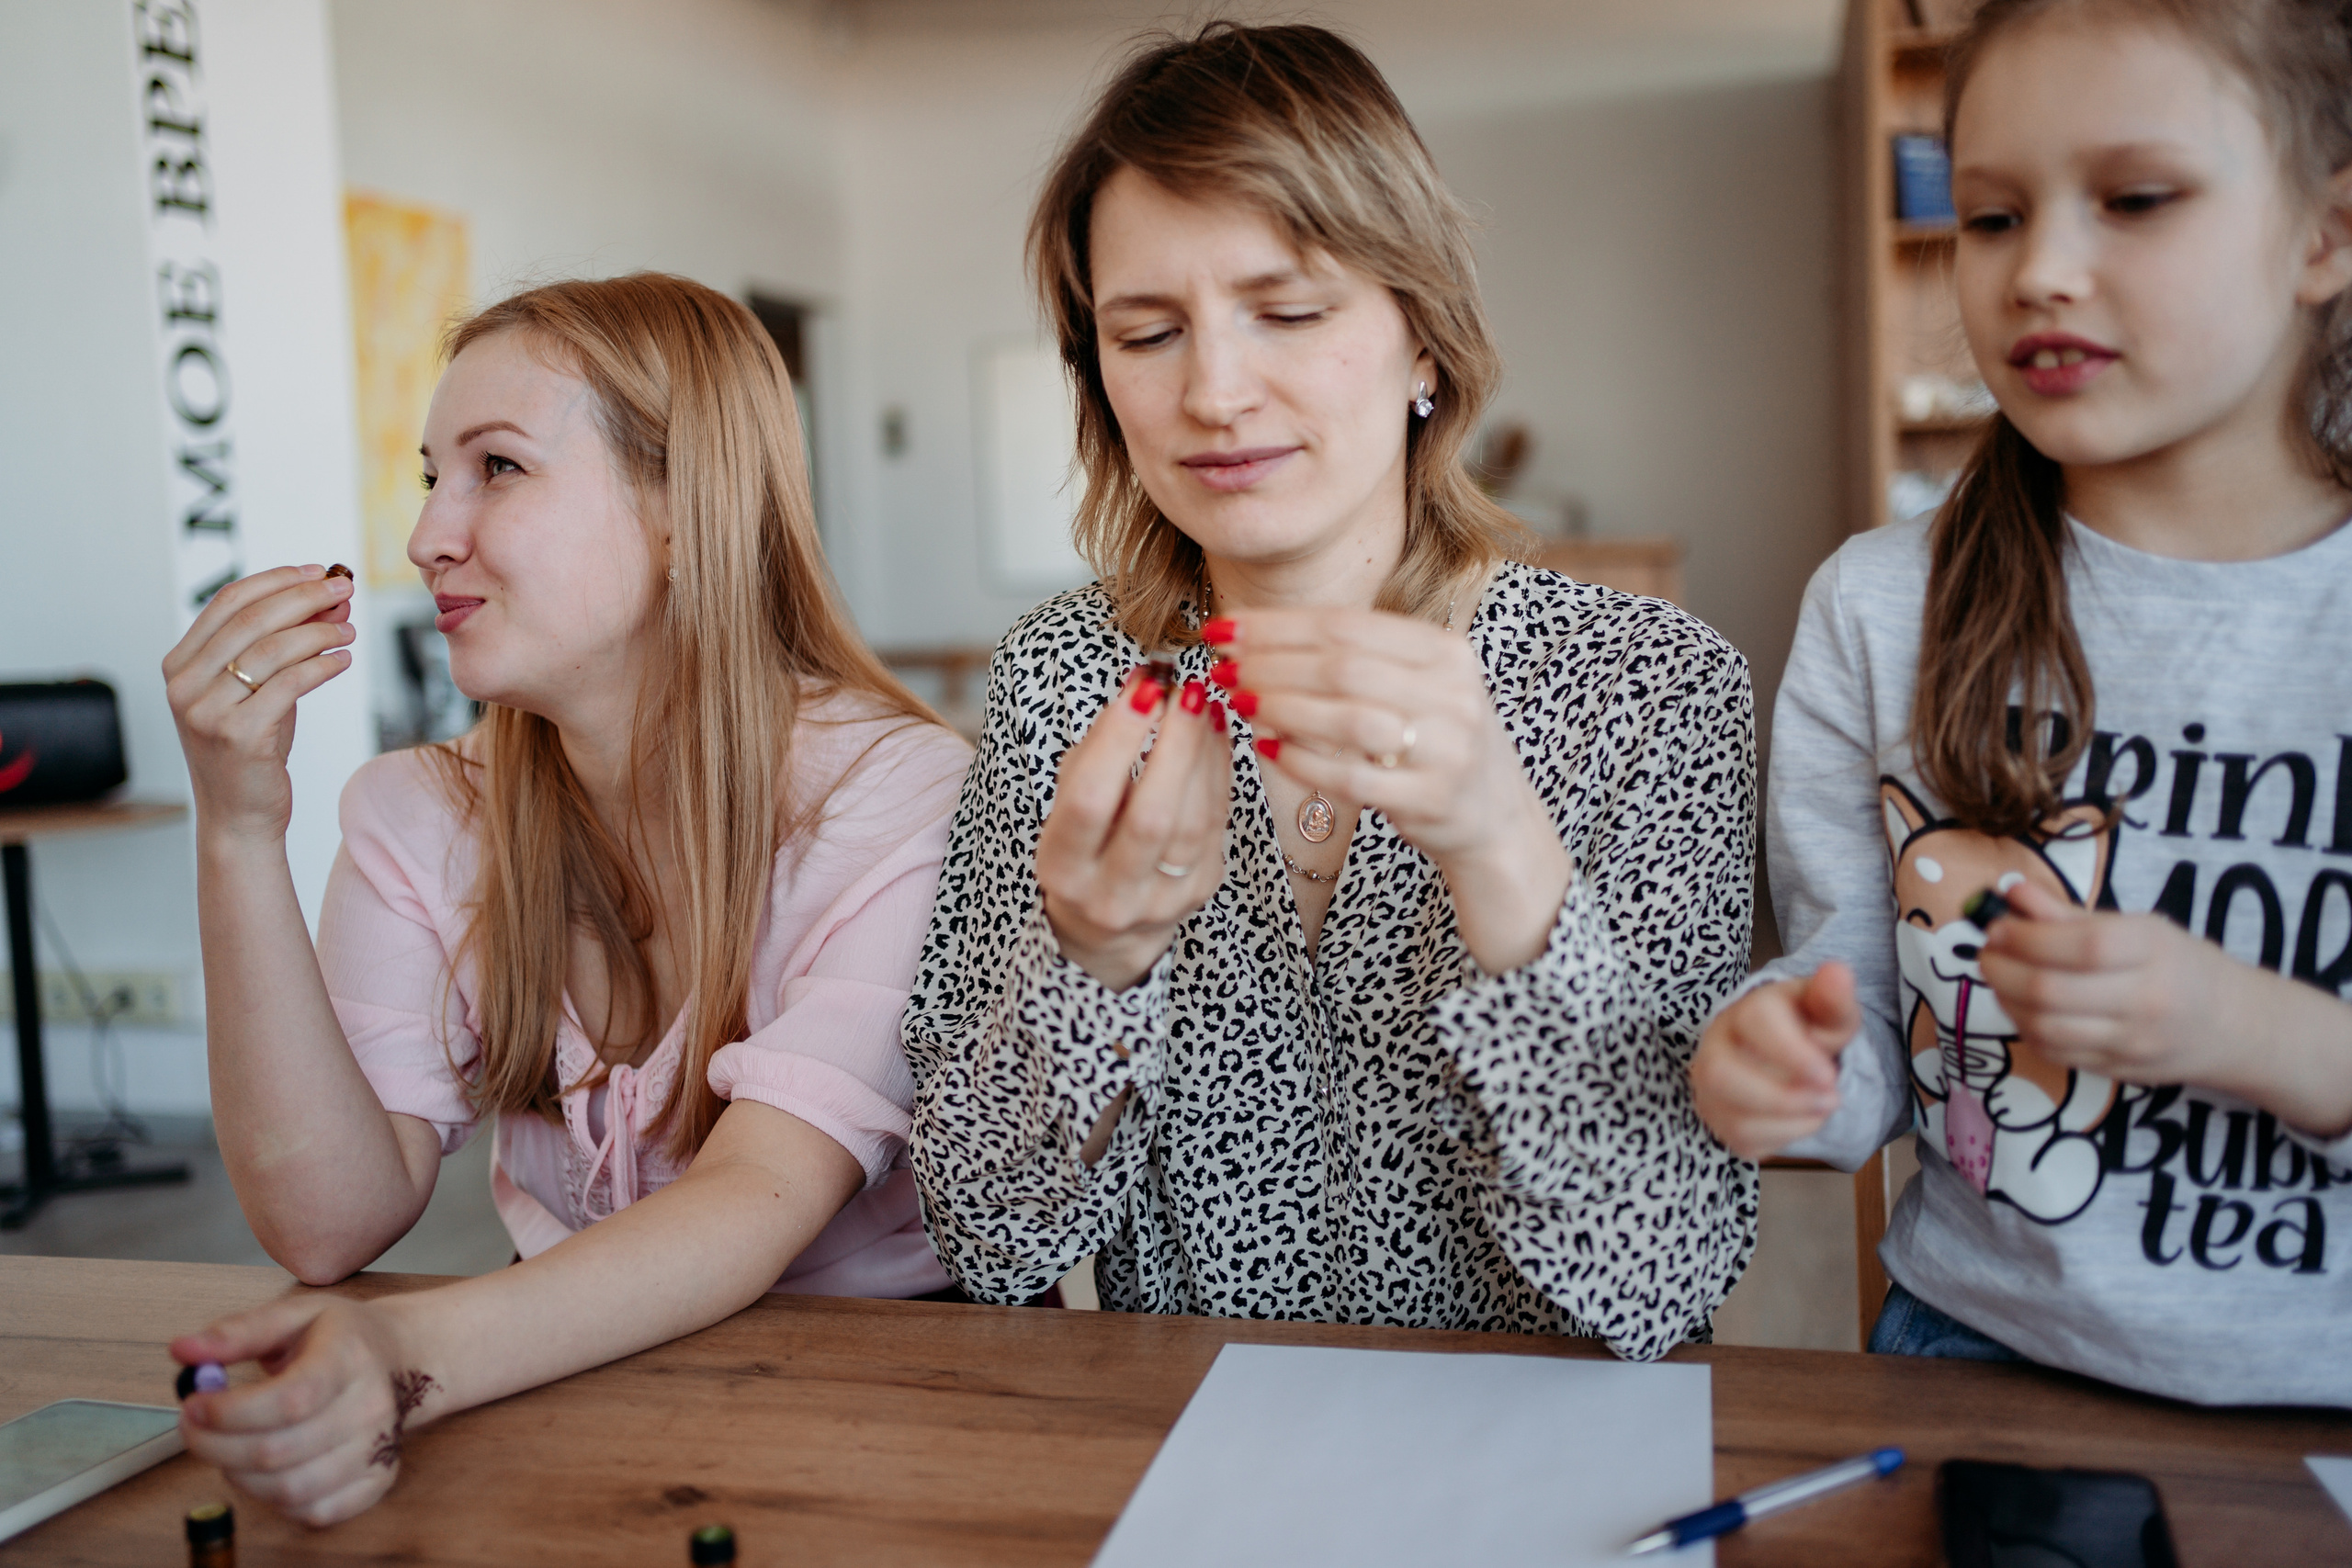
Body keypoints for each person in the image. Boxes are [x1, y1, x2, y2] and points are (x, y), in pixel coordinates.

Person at [903, 23, 1759, 1361]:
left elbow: (1656, 1286)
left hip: (1548, 1443)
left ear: (1426, 340)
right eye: (1147, 333)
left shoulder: (1649, 689)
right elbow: (990, 1240)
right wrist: (1090, 960)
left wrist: (1503, 853)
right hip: (1193, 1441)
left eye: (1291, 312)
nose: (1214, 392)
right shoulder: (1065, 683)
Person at [158, 273, 971, 1522]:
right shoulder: (420, 811)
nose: (428, 536)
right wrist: (236, 829)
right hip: (564, 1378)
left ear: (683, 513)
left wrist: (406, 1354)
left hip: (886, 1403)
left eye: (498, 468)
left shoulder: (898, 793)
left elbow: (755, 1197)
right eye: (432, 477)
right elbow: (326, 1225)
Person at [1691, 0, 2352, 1406]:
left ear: (2327, 234)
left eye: (2136, 200)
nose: (2041, 269)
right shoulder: (1879, 608)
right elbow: (1867, 1007)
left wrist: (2252, 1031)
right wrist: (1790, 1062)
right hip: (1977, 1363)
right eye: (1992, 216)